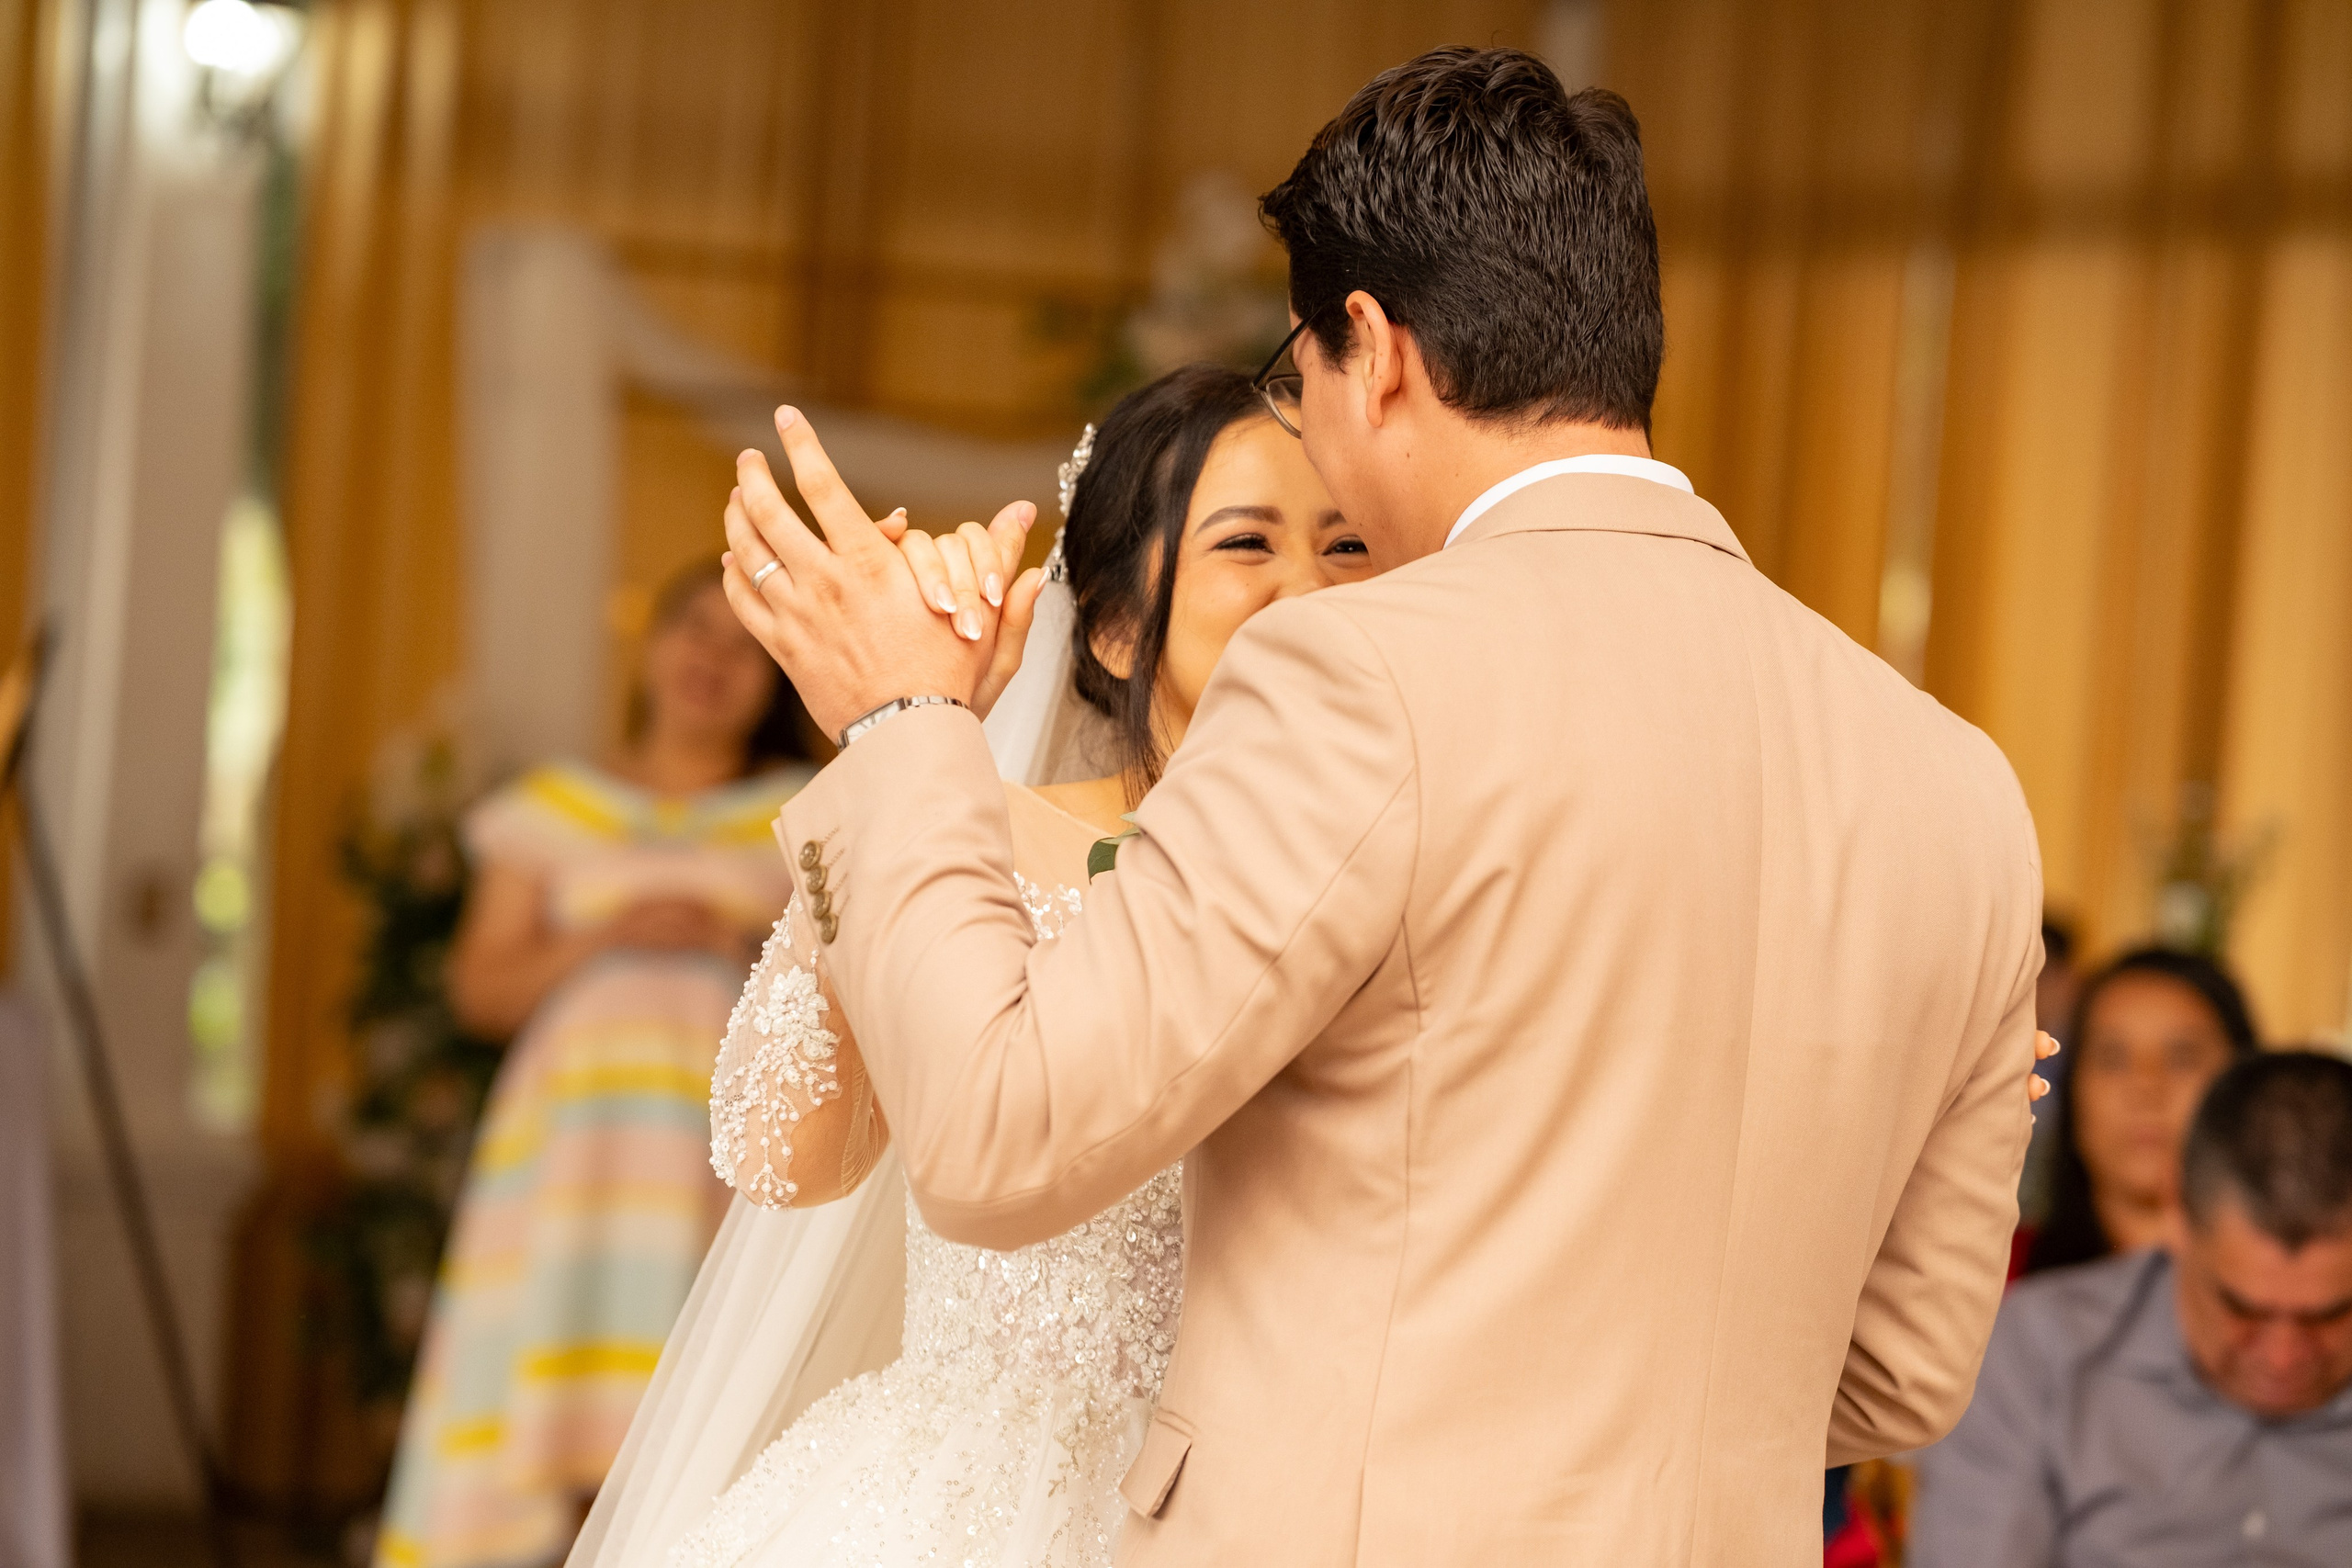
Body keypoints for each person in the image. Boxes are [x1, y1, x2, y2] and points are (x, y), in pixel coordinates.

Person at [715, 48, 2046, 1564]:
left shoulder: (1355, 682)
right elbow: (1902, 1369)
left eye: (1302, 382)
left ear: (1374, 346)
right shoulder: (1954, 778)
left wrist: (899, 723)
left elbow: (1003, 1140)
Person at [570, 364, 1374, 1566]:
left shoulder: (1390, 861)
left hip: (1280, 1497)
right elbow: (774, 1146)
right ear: (1110, 624)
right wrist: (893, 745)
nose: (1309, 585)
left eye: (1349, 541)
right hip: (969, 1501)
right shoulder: (982, 845)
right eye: (1247, 542)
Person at [378, 564, 818, 1568]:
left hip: (723, 1167)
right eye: (694, 630)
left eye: (745, 644)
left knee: (700, 1418)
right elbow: (478, 991)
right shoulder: (550, 808)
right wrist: (609, 933)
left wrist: (729, 940)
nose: (712, 659)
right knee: (562, 1395)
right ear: (652, 645)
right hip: (568, 1165)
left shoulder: (805, 810)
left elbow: (852, 989)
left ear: (778, 676)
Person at [1911, 1051, 2352, 1565]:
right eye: (2242, 1308)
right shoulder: (2037, 1353)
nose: (2282, 1356)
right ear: (2178, 1212)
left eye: (2329, 1315)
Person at [2022, 946, 2257, 1276]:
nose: (2146, 1088)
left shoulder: (2297, 1296)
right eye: (2112, 1058)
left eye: (2182, 1057)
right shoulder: (1995, 1280)